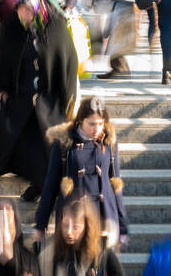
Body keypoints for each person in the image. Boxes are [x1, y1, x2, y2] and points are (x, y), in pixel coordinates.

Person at [0, 0, 80, 200]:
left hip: (49, 99)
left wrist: (68, 99)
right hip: (22, 97)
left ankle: (44, 187)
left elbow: (67, 61)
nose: (24, 16)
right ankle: (38, 183)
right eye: (21, 10)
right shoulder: (12, 26)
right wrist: (1, 87)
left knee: (49, 146)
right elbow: (1, 58)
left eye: (28, 11)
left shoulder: (55, 27)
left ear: (37, 8)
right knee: (18, 143)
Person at [35, 95, 129, 248]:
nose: (97, 129)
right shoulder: (65, 143)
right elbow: (50, 185)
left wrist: (123, 226)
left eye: (100, 123)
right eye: (91, 124)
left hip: (103, 218)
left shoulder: (110, 142)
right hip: (73, 220)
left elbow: (115, 183)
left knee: (101, 268)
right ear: (80, 120)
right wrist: (41, 224)